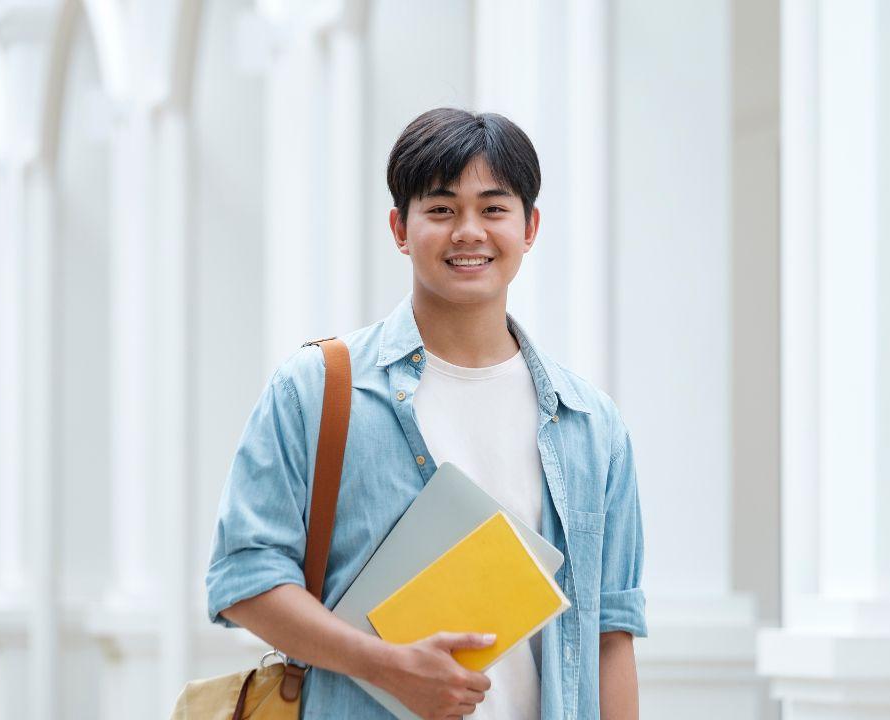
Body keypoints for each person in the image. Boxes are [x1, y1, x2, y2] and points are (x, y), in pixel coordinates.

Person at [206, 108, 647, 719]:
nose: (469, 231)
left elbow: (610, 634)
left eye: (494, 208)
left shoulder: (591, 426)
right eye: (441, 209)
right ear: (400, 228)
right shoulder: (317, 389)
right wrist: (383, 663)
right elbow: (243, 579)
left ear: (530, 226)